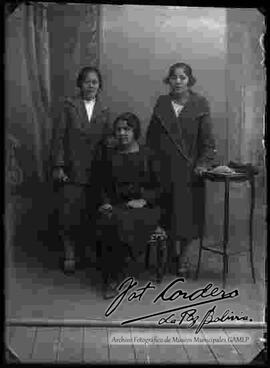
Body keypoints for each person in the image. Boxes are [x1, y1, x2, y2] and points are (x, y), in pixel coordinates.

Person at [146, 62, 217, 277]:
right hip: (163, 170)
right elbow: (151, 138)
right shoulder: (161, 103)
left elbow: (208, 142)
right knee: (166, 214)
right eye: (174, 77)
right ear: (169, 80)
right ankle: (169, 257)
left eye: (182, 77)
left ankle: (184, 258)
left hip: (188, 172)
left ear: (189, 80)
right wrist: (152, 165)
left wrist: (202, 164)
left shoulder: (200, 104)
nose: (178, 81)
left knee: (187, 218)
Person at [93, 112, 162, 299]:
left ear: (135, 131)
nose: (122, 133)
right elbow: (102, 185)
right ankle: (112, 276)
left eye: (127, 129)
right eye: (118, 130)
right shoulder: (110, 156)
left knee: (120, 220)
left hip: (145, 208)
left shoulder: (148, 154)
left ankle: (115, 276)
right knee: (110, 218)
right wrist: (105, 203)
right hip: (117, 205)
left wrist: (144, 199)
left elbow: (161, 187)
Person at [51, 66, 111, 273]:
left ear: (99, 85)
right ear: (80, 84)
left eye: (95, 82)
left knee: (90, 213)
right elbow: (58, 137)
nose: (91, 85)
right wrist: (58, 165)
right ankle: (69, 255)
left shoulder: (105, 109)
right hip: (71, 168)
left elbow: (108, 140)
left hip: (95, 170)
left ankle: (88, 255)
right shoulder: (69, 106)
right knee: (69, 213)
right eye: (87, 81)